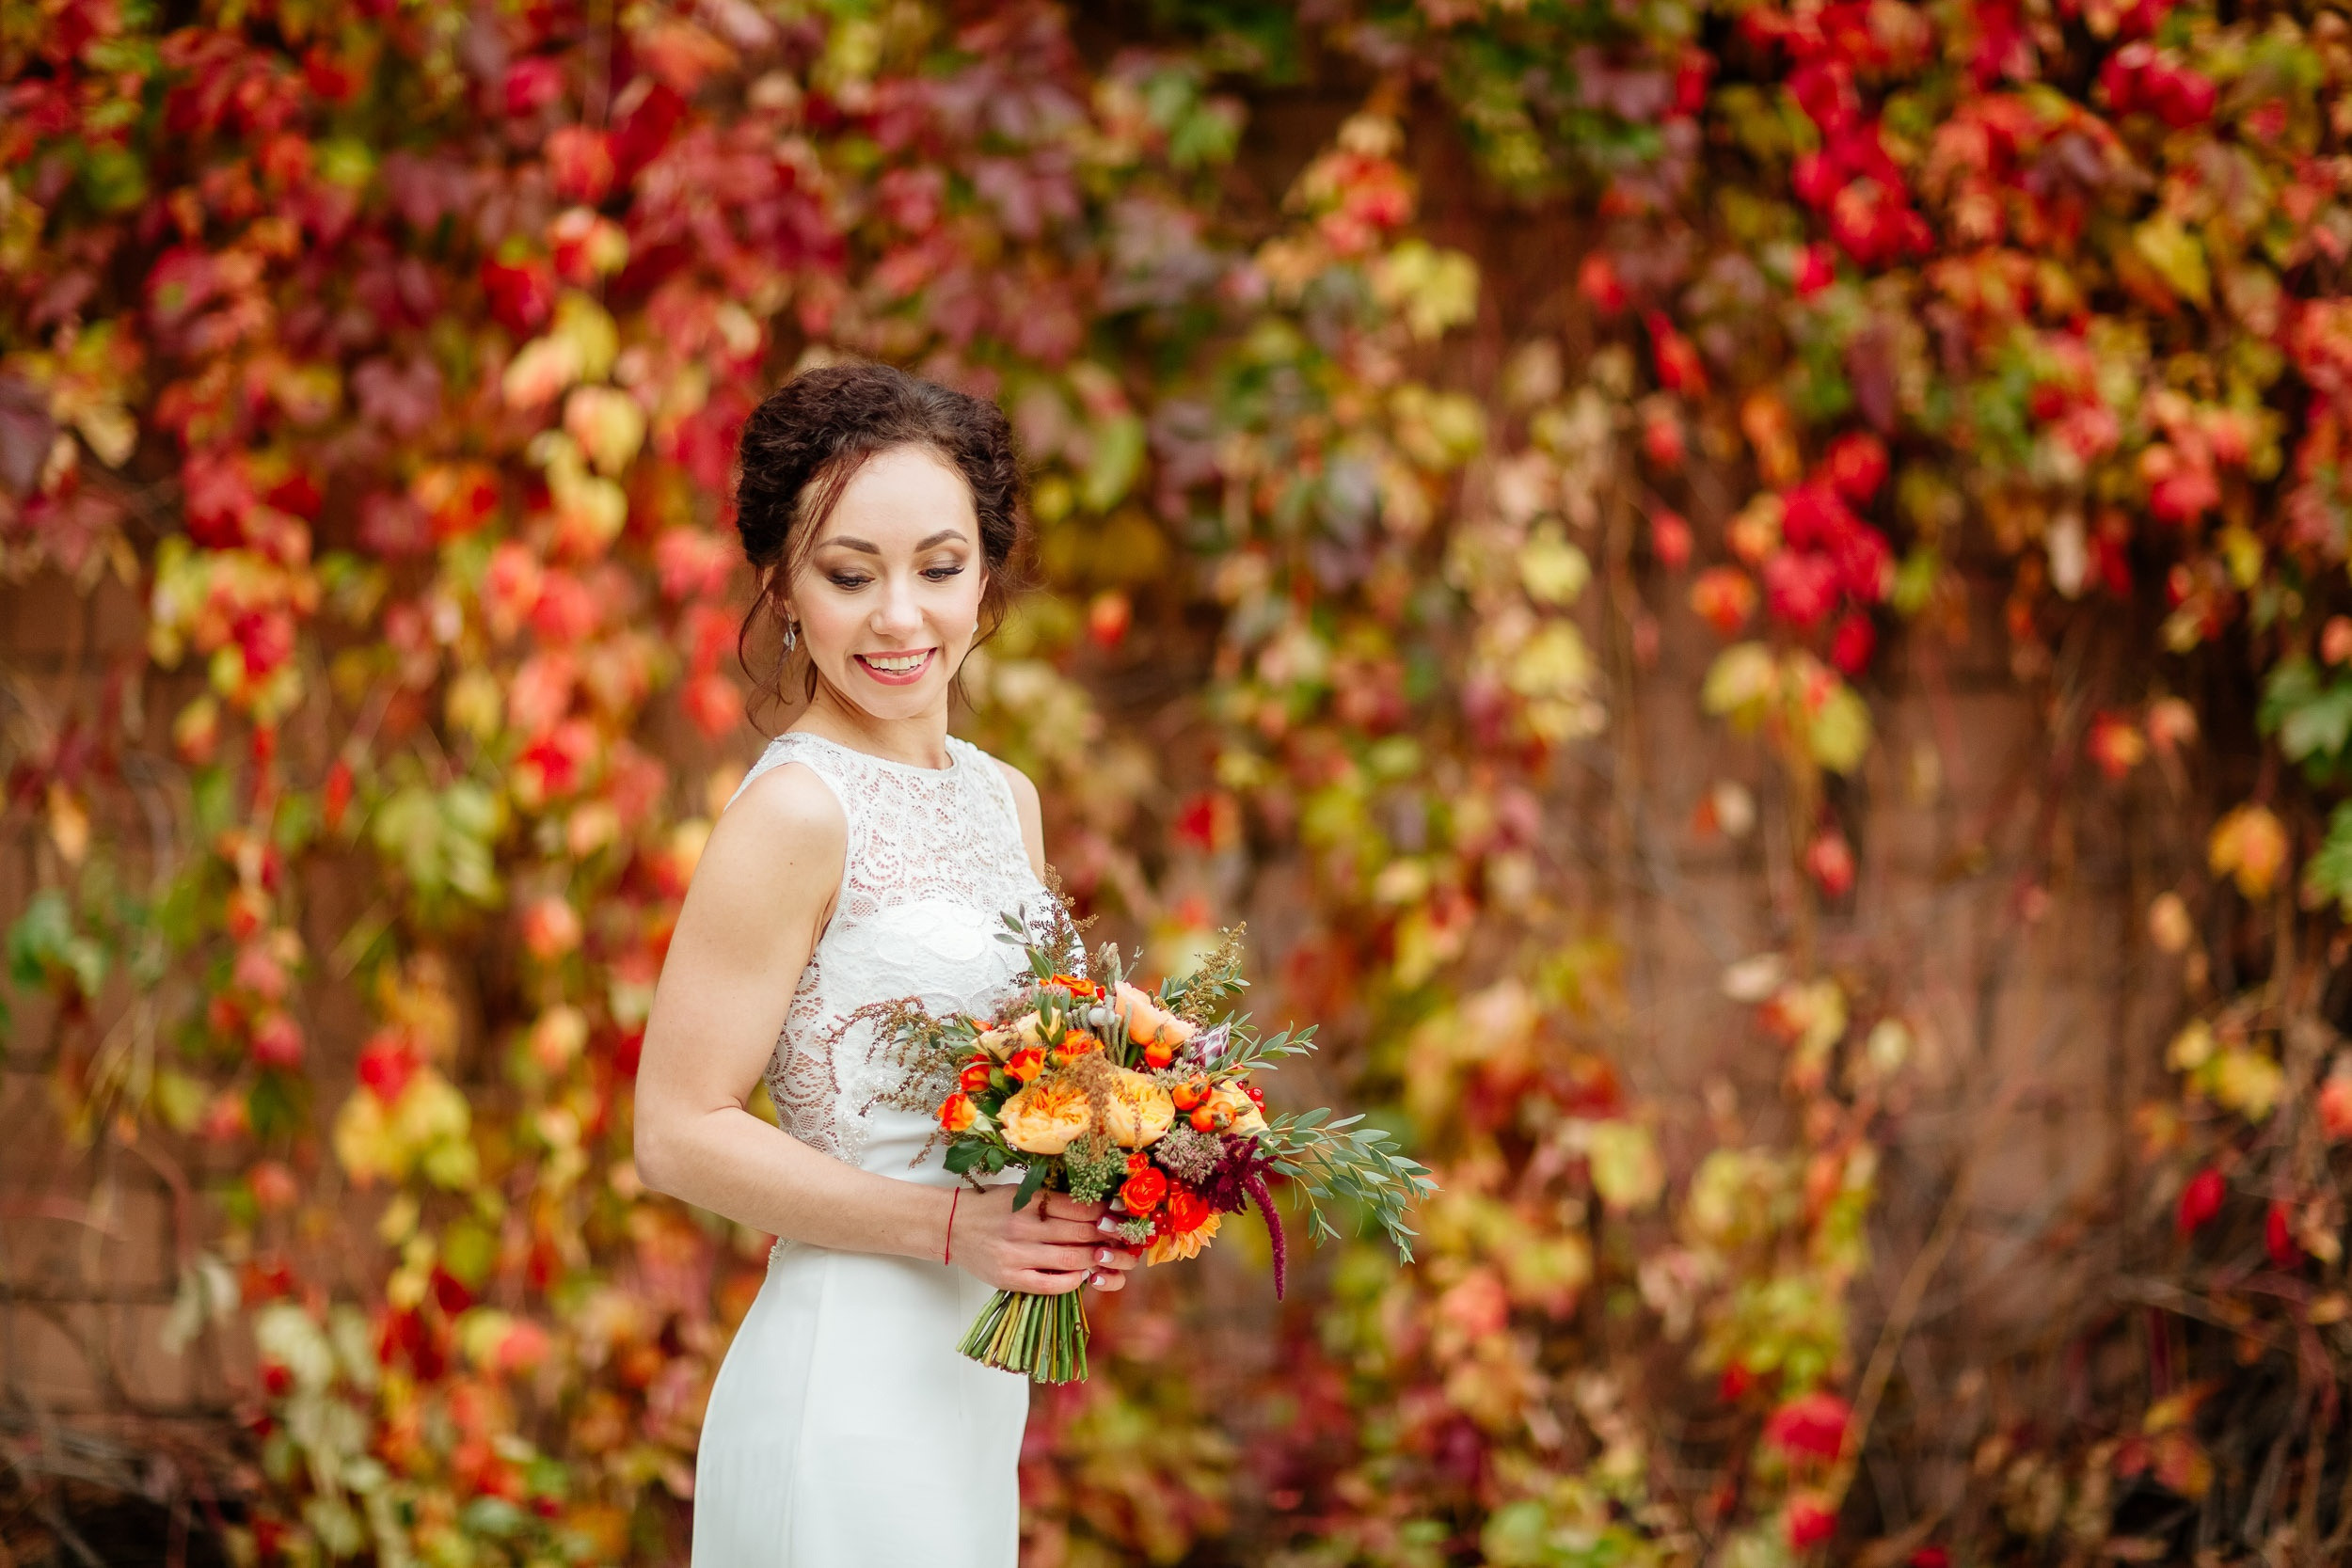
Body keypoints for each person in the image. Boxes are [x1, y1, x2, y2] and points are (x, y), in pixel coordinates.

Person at [632, 362, 1141, 1567]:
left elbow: (1027, 1081)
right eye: (850, 574)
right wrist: (953, 1226)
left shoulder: (1001, 796)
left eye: (939, 566)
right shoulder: (796, 813)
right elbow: (676, 1128)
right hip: (842, 1382)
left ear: (988, 573)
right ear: (785, 590)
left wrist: (1116, 1172)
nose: (900, 616)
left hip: (968, 1384)